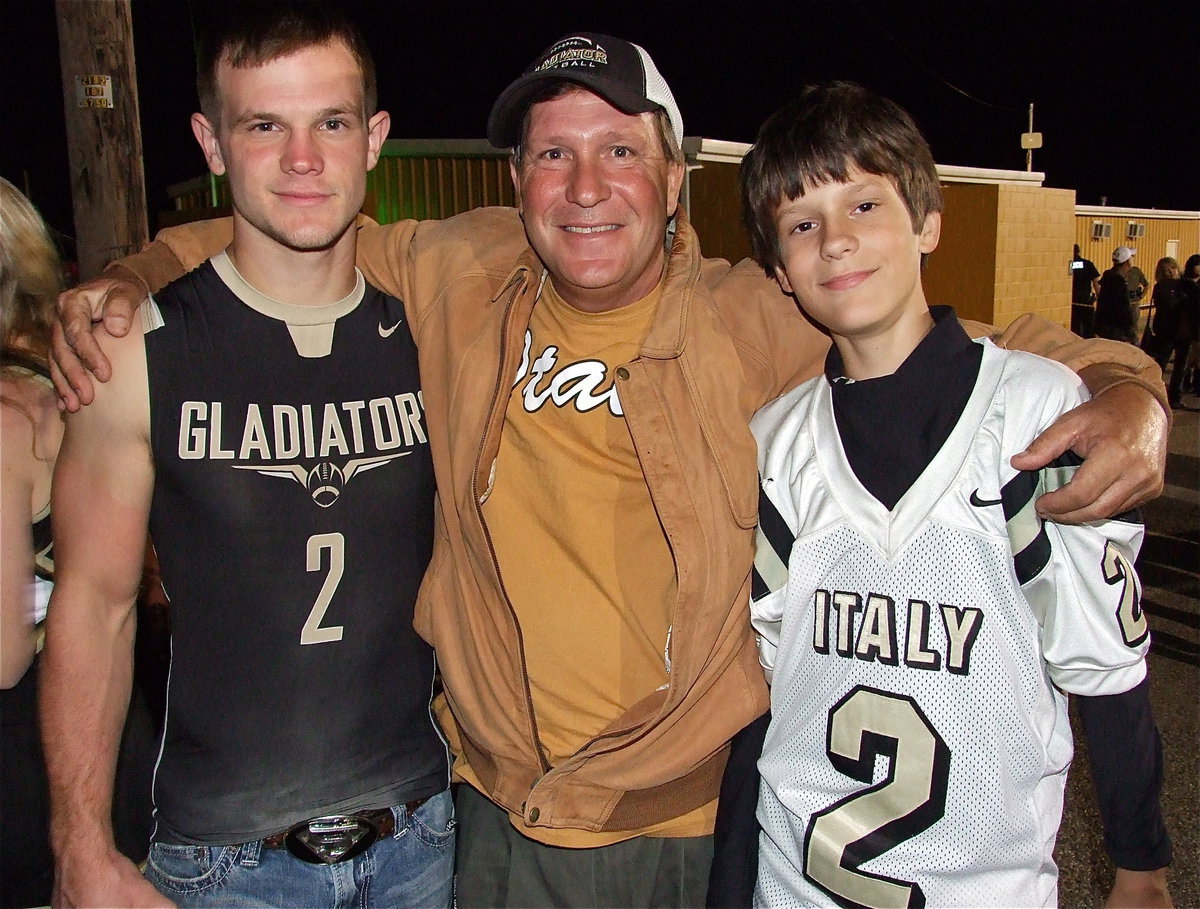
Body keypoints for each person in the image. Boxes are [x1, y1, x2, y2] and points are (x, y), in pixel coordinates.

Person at [53, 30, 1171, 909]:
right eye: (552, 153)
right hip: (503, 828)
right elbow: (284, 220)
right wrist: (126, 278)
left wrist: (1133, 395)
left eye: (620, 150)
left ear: (676, 179)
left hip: (692, 832)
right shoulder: (463, 270)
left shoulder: (758, 313)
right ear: (521, 182)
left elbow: (991, 343)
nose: (585, 185)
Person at [39, 7, 452, 906]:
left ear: (375, 138)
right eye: (264, 125)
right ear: (212, 142)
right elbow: (94, 605)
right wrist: (79, 846)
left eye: (330, 123)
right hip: (223, 861)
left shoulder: (441, 337)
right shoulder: (136, 352)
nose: (302, 159)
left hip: (421, 838)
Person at [740, 81, 1172, 908]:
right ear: (779, 272)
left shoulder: (1035, 413)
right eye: (803, 224)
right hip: (797, 888)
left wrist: (1140, 863)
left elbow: (1107, 666)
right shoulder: (777, 442)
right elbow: (766, 705)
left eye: (864, 203)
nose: (836, 242)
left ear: (928, 222)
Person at [0, 177, 64, 908]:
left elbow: (4, 652)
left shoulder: (6, 418)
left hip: (23, 762)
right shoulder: (69, 379)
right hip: (109, 727)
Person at [1167, 254, 1200, 408]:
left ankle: (1184, 387)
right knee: (1182, 363)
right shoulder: (1184, 285)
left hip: (1188, 329)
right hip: (1180, 329)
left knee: (1187, 362)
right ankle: (1176, 392)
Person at [1095, 246, 1140, 342]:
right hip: (1116, 329)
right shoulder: (1118, 281)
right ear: (1127, 261)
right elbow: (1123, 308)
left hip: (1104, 326)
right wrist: (1130, 331)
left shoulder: (1108, 276)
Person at [1143, 256, 1181, 369]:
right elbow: (1168, 305)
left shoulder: (1183, 284)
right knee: (1162, 360)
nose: (1171, 272)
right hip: (1166, 328)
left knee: (1181, 362)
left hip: (1182, 327)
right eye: (1167, 270)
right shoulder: (1160, 287)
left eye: (1173, 268)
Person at [1070, 243, 1100, 337]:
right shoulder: (1087, 264)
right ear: (1079, 251)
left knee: (1074, 328)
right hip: (1086, 301)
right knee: (1089, 328)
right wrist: (1100, 297)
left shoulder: (1067, 264)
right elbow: (1096, 281)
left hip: (1071, 300)